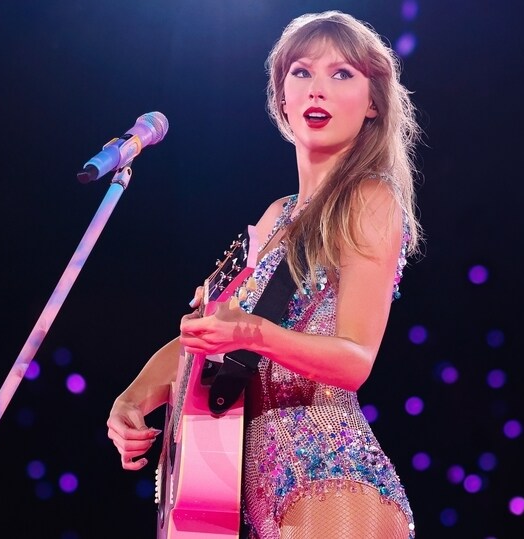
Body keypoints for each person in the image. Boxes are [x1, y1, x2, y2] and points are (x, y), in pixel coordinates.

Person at [106, 10, 422, 539]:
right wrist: (133, 399)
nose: (317, 88)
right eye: (301, 72)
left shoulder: (369, 198)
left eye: (341, 74)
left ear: (373, 103)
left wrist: (252, 333)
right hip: (255, 493)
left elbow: (355, 360)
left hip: (331, 477)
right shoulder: (277, 216)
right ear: (281, 97)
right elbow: (203, 336)